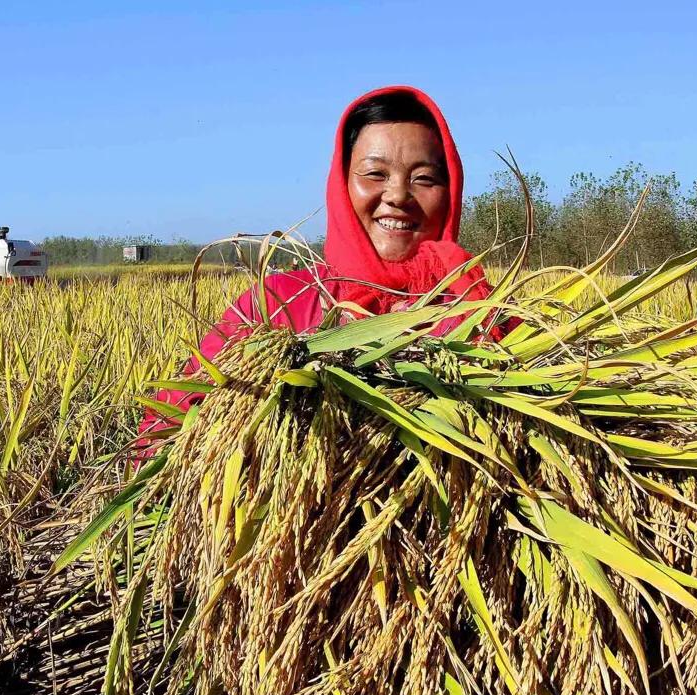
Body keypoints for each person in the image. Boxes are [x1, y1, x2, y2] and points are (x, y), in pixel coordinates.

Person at [138, 85, 514, 445]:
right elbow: (164, 428)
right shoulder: (278, 304)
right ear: (341, 184)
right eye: (375, 174)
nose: (398, 195)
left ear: (450, 193)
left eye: (424, 179)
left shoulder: (486, 315)